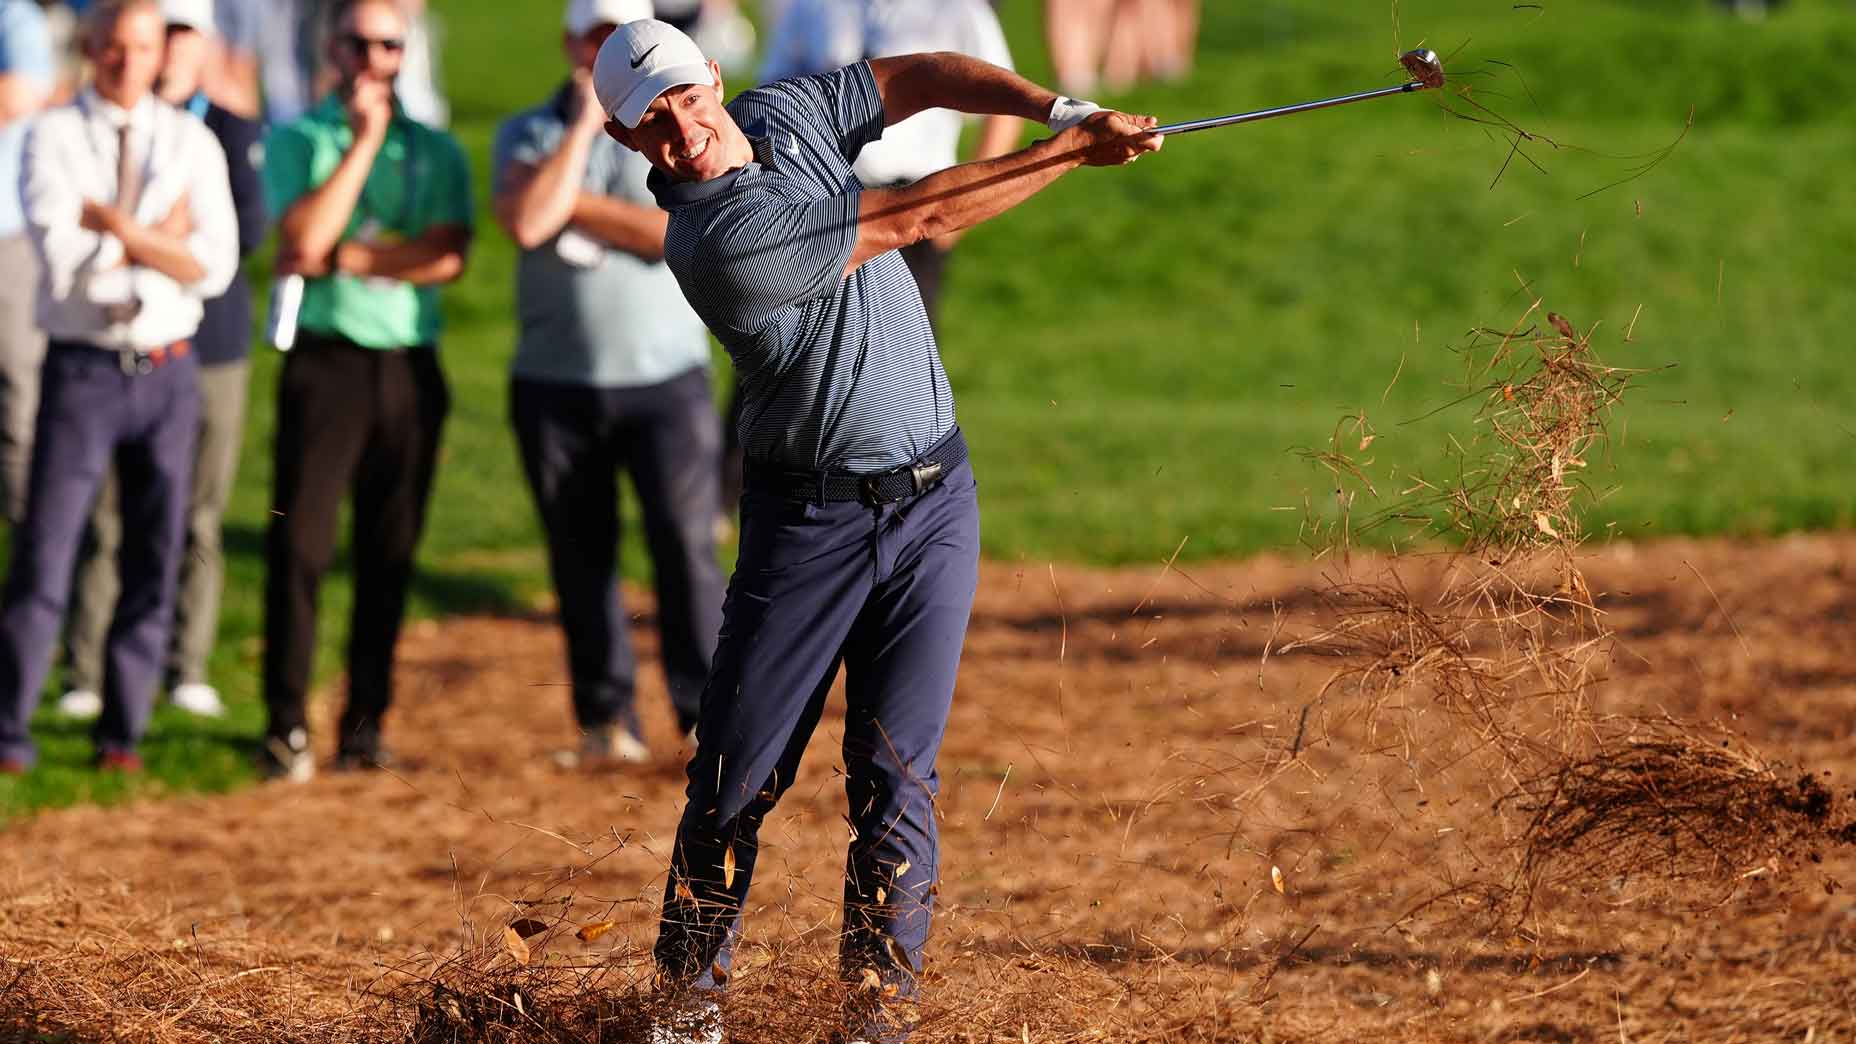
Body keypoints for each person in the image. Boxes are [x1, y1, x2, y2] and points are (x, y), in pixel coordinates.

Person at [591, 18, 1158, 1041]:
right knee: (736, 780)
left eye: (686, 99)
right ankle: (685, 1013)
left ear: (711, 76)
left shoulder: (782, 113)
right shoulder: (716, 242)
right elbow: (915, 215)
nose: (682, 130)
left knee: (897, 781)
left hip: (936, 500)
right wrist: (1072, 154)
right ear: (625, 140)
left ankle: (875, 1021)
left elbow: (921, 74)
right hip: (808, 525)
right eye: (653, 124)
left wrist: (1059, 107)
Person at [0, 0, 237, 775]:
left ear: (159, 51)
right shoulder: (52, 136)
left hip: (168, 371)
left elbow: (216, 266)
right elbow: (63, 257)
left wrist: (121, 229)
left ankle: (123, 733)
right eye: (111, 46)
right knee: (47, 552)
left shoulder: (190, 141)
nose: (127, 61)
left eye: (140, 46)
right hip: (83, 369)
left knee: (154, 551)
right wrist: (164, 239)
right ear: (89, 48)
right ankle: (10, 731)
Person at [491, 0, 723, 769]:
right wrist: (585, 129)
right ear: (570, 43)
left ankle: (708, 718)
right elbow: (526, 224)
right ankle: (606, 721)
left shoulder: (674, 132)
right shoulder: (526, 133)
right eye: (595, 39)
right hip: (553, 383)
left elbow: (670, 234)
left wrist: (568, 203)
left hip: (665, 376)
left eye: (620, 39)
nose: (606, 54)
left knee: (685, 550)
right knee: (580, 557)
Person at [259, 0, 471, 782]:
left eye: (388, 45)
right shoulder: (298, 138)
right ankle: (285, 724)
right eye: (357, 43)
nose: (372, 59)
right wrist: (363, 144)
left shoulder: (437, 149)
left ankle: (365, 723)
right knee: (300, 546)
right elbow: (303, 239)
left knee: (389, 551)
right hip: (327, 364)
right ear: (333, 47)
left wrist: (351, 260)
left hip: (409, 363)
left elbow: (447, 256)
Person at [59, 0, 266, 723]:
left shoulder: (229, 132)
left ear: (202, 44)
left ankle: (186, 665)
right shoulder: (100, 128)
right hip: (118, 346)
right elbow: (73, 233)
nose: (170, 49)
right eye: (160, 34)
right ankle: (85, 669)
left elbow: (240, 238)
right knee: (106, 516)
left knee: (197, 515)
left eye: (182, 35)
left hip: (212, 350)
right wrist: (166, 236)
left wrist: (125, 233)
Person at [0, 0, 56, 526]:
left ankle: (28, 544)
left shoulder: (15, 18)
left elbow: (17, 97)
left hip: (8, 241)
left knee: (20, 400)